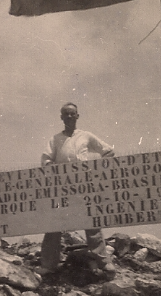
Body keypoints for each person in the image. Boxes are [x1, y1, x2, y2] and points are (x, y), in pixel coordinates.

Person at [39, 102, 116, 277]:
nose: (69, 117)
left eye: (72, 114)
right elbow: (46, 159)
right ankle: (48, 265)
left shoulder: (85, 135)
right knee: (54, 224)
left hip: (83, 185)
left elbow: (108, 151)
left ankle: (104, 262)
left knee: (91, 222)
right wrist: (53, 168)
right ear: (61, 117)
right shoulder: (55, 139)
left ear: (77, 116)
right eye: (66, 114)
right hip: (61, 187)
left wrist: (97, 169)